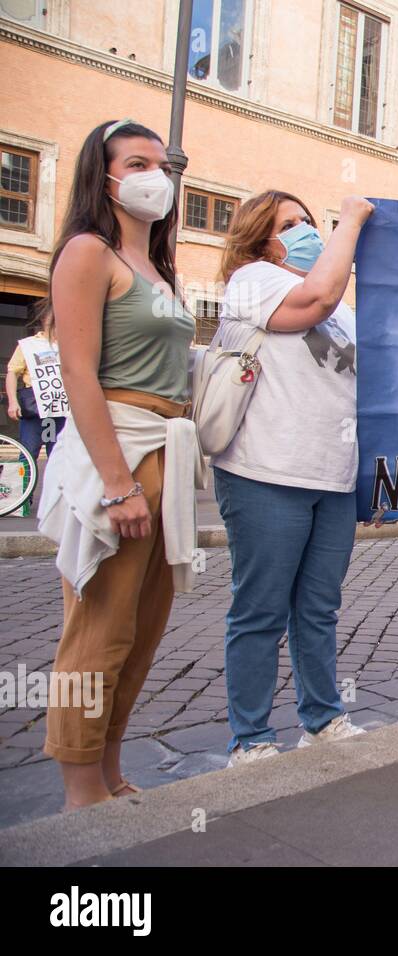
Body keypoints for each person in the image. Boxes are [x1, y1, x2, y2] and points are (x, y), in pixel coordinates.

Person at [36, 119, 199, 811]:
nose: (154, 175)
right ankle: (79, 792)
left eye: (163, 165)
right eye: (137, 161)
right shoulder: (87, 252)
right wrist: (116, 483)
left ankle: (109, 769)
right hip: (122, 453)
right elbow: (78, 371)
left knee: (140, 631)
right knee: (97, 631)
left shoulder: (160, 266)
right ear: (102, 176)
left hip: (166, 448)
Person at [212, 189, 373, 765]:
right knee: (260, 609)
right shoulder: (253, 280)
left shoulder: (346, 312)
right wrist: (350, 219)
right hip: (265, 471)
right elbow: (318, 297)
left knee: (318, 607)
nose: (307, 231)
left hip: (331, 477)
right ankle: (250, 738)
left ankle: (322, 718)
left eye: (311, 220)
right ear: (262, 240)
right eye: (292, 224)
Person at [6, 316, 67, 461]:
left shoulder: (68, 346)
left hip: (60, 407)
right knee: (28, 452)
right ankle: (25, 483)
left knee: (57, 454)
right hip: (35, 405)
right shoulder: (28, 345)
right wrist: (13, 401)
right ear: (46, 323)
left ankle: (54, 484)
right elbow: (12, 373)